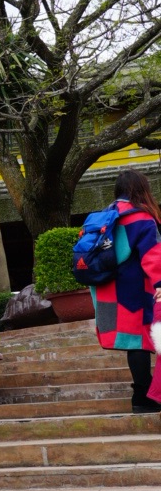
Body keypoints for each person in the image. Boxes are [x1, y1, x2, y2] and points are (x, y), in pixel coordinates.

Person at [91, 169, 161, 413]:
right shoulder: (141, 217)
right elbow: (153, 254)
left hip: (107, 289)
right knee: (141, 340)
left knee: (134, 341)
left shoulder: (106, 214)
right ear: (141, 189)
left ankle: (143, 395)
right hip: (136, 289)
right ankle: (143, 396)